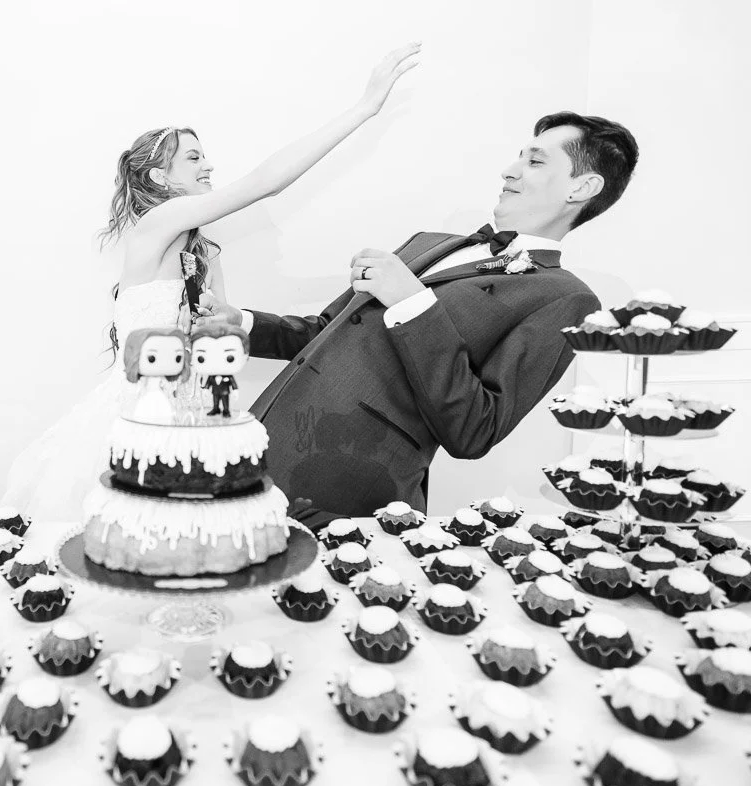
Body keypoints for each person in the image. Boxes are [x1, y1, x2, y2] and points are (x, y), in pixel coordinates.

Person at [0, 44, 422, 522]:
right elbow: (267, 181)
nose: (209, 167)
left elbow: (219, 341)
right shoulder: (157, 223)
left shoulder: (200, 255)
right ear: (160, 176)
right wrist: (364, 108)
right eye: (193, 158)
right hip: (145, 422)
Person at [195, 112, 639, 529]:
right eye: (518, 156)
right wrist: (244, 322)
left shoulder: (566, 298)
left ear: (581, 188)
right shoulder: (427, 243)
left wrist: (413, 305)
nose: (509, 170)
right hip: (252, 445)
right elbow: (323, 332)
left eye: (536, 161)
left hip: (342, 488)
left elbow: (475, 429)